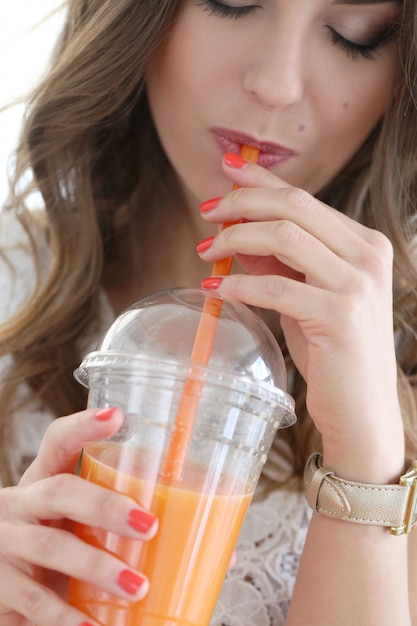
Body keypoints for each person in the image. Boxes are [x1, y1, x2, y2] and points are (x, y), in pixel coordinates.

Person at [0, 0, 416, 624]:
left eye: (355, 35)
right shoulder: (12, 283)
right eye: (233, 0)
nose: (275, 85)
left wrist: (366, 459)